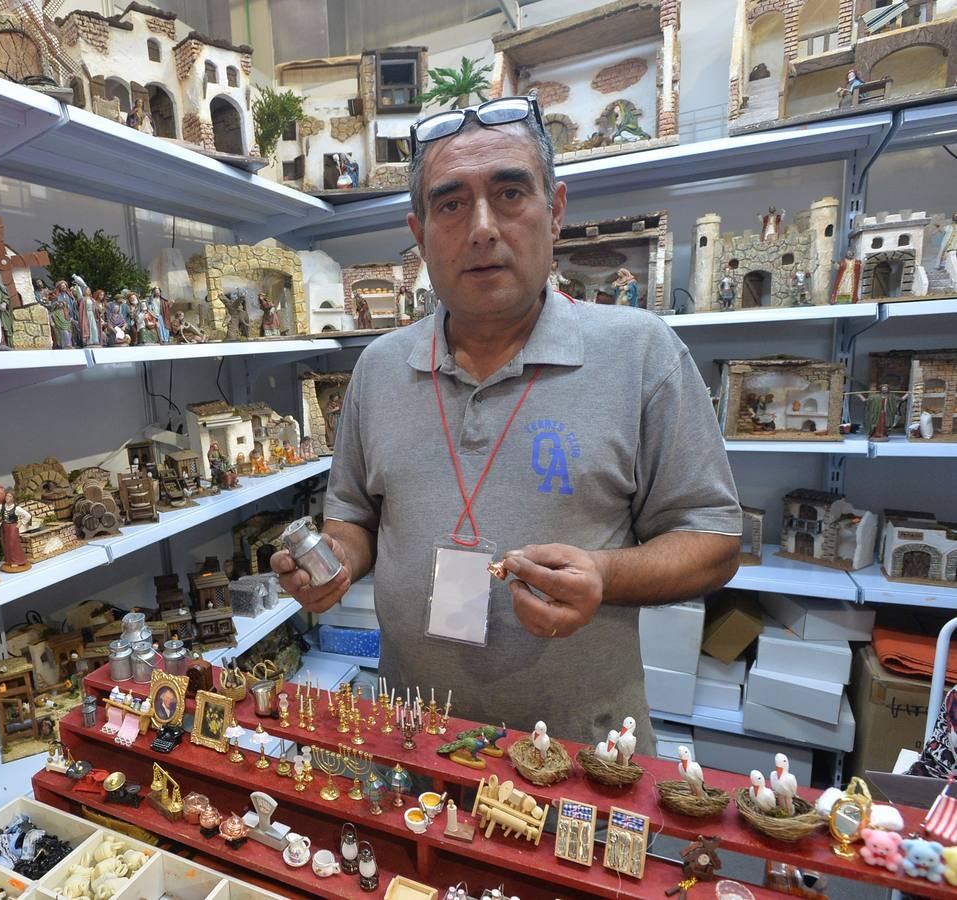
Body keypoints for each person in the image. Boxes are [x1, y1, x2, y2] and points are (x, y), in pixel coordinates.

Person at [270, 96, 740, 751]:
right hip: (413, 744)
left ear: (555, 211)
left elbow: (714, 542)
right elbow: (354, 519)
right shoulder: (377, 369)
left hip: (581, 758)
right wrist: (332, 564)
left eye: (510, 192)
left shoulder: (639, 353)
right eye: (450, 203)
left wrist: (603, 575)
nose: (482, 227)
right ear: (419, 231)